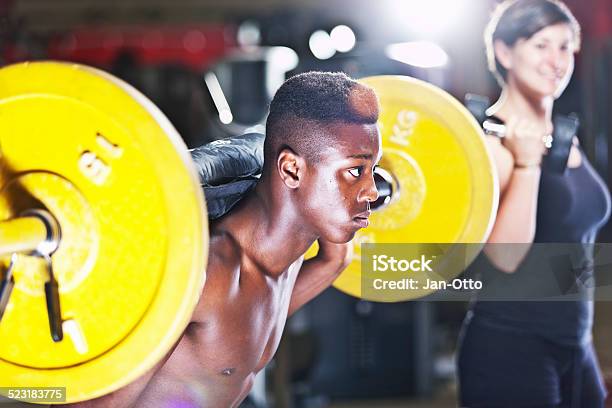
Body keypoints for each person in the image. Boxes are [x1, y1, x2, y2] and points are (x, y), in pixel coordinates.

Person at [64, 72, 382, 407]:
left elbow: (336, 259)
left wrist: (347, 195)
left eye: (372, 170)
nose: (373, 190)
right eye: (355, 171)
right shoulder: (204, 276)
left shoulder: (286, 261)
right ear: (290, 170)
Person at [457, 1, 610, 407]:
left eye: (565, 48)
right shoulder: (490, 146)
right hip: (510, 348)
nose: (556, 60)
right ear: (505, 52)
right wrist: (526, 164)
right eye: (541, 45)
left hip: (576, 345)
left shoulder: (565, 140)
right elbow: (504, 258)